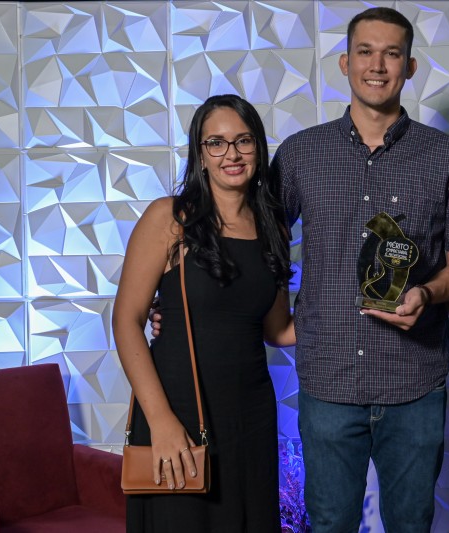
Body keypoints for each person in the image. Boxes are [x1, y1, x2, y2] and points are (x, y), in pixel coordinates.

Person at [270, 7, 449, 532]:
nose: (378, 65)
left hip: (415, 380)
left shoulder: (447, 157)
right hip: (328, 378)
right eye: (365, 52)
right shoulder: (300, 154)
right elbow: (261, 246)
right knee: (330, 524)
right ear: (345, 63)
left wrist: (428, 293)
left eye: (392, 54)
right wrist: (275, 322)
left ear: (410, 67)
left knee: (411, 524)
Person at [113, 94, 294, 532]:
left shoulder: (273, 226)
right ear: (200, 154)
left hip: (251, 416)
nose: (232, 154)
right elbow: (126, 321)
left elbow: (279, 330)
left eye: (243, 141)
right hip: (178, 410)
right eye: (217, 142)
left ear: (258, 149)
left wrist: (355, 304)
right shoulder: (170, 218)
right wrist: (161, 422)